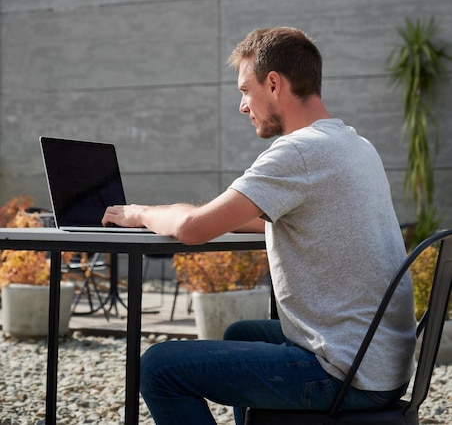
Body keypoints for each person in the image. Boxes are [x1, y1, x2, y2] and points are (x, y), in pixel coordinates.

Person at [102, 27, 416, 425]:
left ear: (273, 83)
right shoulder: (354, 144)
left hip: (345, 374)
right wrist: (187, 213)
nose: (242, 105)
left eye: (244, 91)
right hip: (379, 362)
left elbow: (194, 230)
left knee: (159, 367)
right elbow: (247, 218)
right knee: (241, 333)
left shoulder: (300, 150)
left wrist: (139, 213)